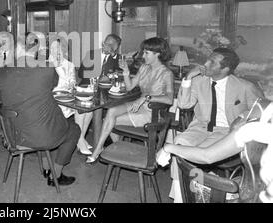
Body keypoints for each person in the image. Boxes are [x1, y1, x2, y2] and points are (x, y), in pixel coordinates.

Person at [168, 47, 264, 202]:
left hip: (225, 132)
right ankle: (187, 193)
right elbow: (185, 105)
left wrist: (242, 116)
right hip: (200, 128)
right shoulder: (198, 81)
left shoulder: (245, 86)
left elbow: (260, 110)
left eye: (212, 62)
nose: (205, 63)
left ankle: (191, 194)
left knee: (195, 154)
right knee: (179, 143)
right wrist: (188, 77)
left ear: (225, 69)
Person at [0, 39, 80, 186]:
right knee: (73, 129)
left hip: (13, 135)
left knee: (40, 121)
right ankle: (56, 175)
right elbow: (53, 85)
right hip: (39, 135)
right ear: (34, 51)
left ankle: (46, 168)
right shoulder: (46, 68)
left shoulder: (2, 71)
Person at [157, 98, 273, 203]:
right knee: (182, 142)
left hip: (224, 132)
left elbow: (207, 156)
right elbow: (184, 104)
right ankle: (180, 197)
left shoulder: (255, 127)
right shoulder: (257, 127)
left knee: (192, 162)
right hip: (203, 130)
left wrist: (168, 147)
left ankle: (194, 190)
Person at [86, 37, 174, 163]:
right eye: (143, 52)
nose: (143, 55)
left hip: (152, 112)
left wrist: (146, 97)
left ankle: (115, 148)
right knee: (111, 112)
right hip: (138, 104)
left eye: (146, 53)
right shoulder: (144, 67)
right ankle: (102, 148)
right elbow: (129, 87)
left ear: (157, 54)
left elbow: (170, 99)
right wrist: (126, 72)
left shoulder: (166, 74)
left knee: (109, 120)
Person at [49, 38, 93, 155]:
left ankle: (80, 139)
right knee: (80, 110)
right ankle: (80, 141)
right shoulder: (47, 64)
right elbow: (58, 83)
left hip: (67, 96)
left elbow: (72, 81)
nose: (54, 51)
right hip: (53, 99)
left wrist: (72, 84)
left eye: (57, 48)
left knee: (89, 110)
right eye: (52, 48)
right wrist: (57, 66)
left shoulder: (69, 64)